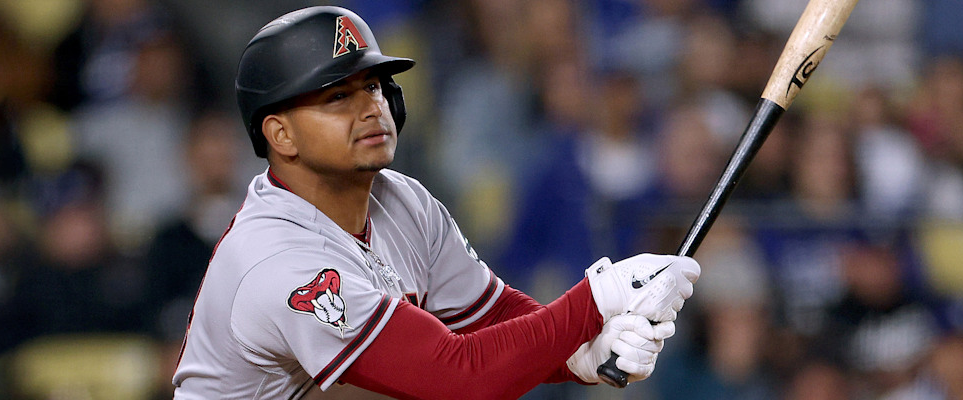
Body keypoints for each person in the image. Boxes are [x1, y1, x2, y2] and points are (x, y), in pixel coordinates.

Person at [171, 6, 701, 400]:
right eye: (338, 96)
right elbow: (457, 377)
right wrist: (596, 300)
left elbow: (491, 318)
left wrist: (579, 352)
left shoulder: (403, 200)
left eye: (373, 86)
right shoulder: (277, 259)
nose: (371, 107)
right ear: (281, 135)